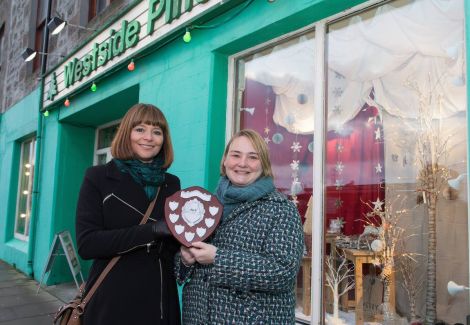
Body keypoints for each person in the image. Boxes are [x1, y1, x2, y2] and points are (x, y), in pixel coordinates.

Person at [175, 129, 304, 324]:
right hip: (198, 317)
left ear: (264, 164)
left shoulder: (281, 209)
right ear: (225, 160)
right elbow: (181, 270)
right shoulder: (205, 205)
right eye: (236, 155)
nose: (242, 163)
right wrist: (184, 260)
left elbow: (282, 272)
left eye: (253, 157)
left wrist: (218, 258)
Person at [76, 103, 181, 325]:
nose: (149, 137)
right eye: (140, 129)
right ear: (127, 133)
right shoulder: (98, 177)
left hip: (159, 300)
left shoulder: (171, 184)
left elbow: (173, 246)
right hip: (111, 299)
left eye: (157, 131)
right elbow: (88, 244)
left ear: (164, 139)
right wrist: (151, 230)